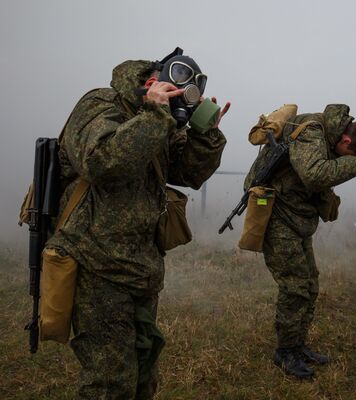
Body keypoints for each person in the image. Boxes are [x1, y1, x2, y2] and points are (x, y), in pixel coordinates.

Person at [45, 48, 229, 399]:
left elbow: (189, 173)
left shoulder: (156, 121)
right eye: (175, 92)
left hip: (141, 267)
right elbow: (100, 162)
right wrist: (155, 115)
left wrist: (205, 135)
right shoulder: (102, 104)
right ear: (151, 82)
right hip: (96, 264)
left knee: (144, 368)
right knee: (109, 381)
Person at [244, 104, 356, 378]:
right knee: (296, 286)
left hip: (297, 216)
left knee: (310, 284)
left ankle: (297, 345)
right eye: (349, 152)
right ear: (345, 140)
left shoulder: (331, 136)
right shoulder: (313, 131)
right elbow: (314, 174)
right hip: (277, 215)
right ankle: (285, 352)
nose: (345, 157)